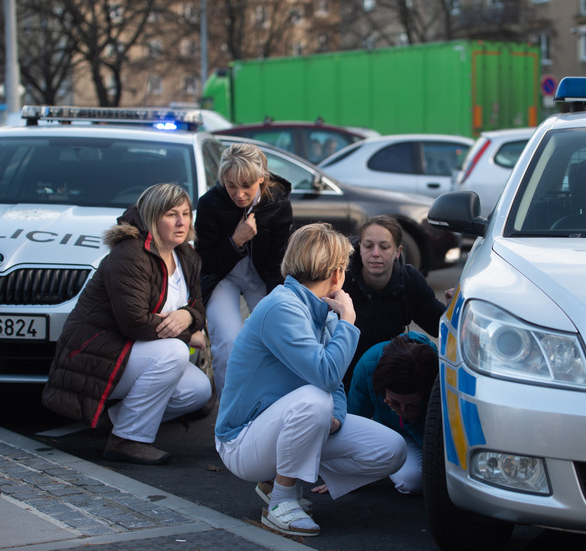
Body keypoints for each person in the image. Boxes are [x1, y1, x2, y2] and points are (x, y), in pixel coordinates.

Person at [214, 223, 408, 537]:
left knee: (391, 449)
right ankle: (281, 500)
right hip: (241, 442)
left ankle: (278, 478)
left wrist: (336, 417)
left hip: (284, 429)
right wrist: (348, 320)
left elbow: (336, 385)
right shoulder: (282, 307)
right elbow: (327, 374)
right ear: (336, 273)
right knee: (315, 400)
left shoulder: (321, 311)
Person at [42, 183, 212, 465]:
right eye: (171, 214)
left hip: (137, 354)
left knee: (197, 390)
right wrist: (186, 334)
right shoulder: (130, 254)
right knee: (175, 353)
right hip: (96, 355)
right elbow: (134, 321)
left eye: (186, 213)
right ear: (152, 217)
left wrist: (188, 316)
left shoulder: (186, 256)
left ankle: (116, 421)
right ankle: (128, 440)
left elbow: (198, 306)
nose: (182, 222)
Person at [194, 143, 293, 401]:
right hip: (222, 276)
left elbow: (278, 263)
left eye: (246, 185)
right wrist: (235, 241)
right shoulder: (210, 204)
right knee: (227, 344)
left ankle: (272, 406)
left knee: (275, 339)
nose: (239, 194)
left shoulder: (277, 203)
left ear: (262, 177)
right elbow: (206, 263)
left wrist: (279, 304)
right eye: (231, 185)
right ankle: (229, 416)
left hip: (262, 276)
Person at [341, 215, 446, 389]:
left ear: (397, 252)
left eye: (384, 247)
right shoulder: (340, 279)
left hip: (388, 380)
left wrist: (456, 309)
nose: (375, 254)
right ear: (359, 248)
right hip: (343, 379)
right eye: (368, 246)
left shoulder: (409, 280)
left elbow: (440, 325)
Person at [346, 331, 438, 495]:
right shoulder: (369, 365)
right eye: (395, 402)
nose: (402, 410)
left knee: (425, 479)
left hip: (426, 432)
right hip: (387, 431)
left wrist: (414, 419)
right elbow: (354, 417)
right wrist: (345, 475)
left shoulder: (437, 373)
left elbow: (439, 441)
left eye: (411, 403)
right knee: (410, 480)